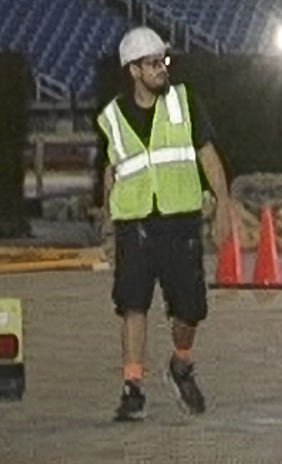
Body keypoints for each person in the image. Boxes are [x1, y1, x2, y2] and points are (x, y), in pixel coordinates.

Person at [96, 28, 236, 422]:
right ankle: (132, 387)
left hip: (180, 222)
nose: (162, 69)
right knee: (132, 304)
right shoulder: (111, 117)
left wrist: (224, 203)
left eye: (164, 61)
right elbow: (112, 168)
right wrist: (107, 222)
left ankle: (181, 364)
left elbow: (208, 156)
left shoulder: (185, 102)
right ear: (134, 70)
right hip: (134, 224)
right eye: (154, 64)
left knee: (189, 310)